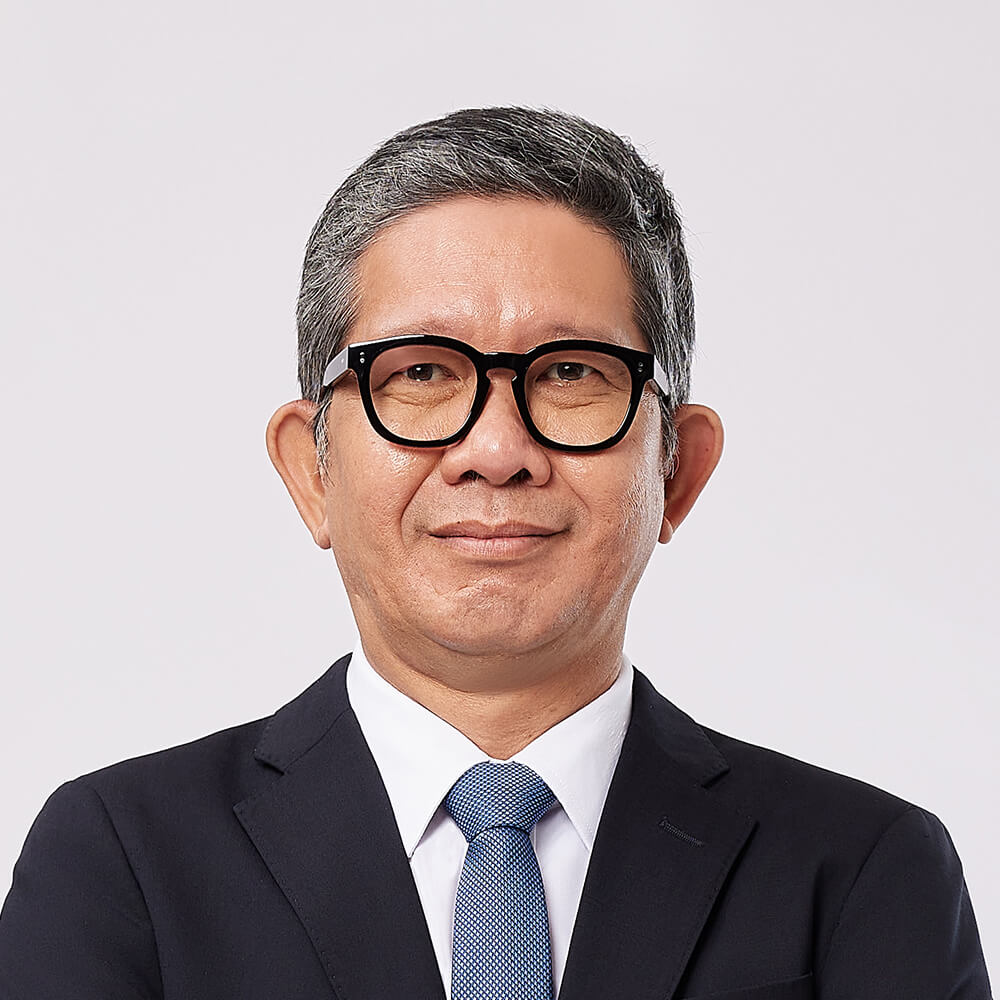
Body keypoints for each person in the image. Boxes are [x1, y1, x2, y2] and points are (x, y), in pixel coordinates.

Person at [0, 107, 991, 1000]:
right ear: (311, 472)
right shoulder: (120, 861)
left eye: (571, 373)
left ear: (678, 471)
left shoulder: (861, 870)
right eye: (421, 372)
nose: (496, 450)